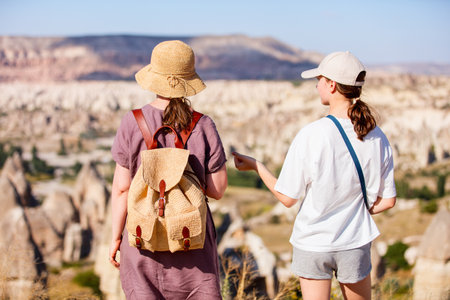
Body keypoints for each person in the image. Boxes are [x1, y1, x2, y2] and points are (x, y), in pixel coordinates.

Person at [233, 51, 396, 300]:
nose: (316, 85)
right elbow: (388, 201)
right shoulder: (377, 136)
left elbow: (288, 198)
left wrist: (257, 166)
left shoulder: (312, 134)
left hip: (313, 243)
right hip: (355, 241)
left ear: (331, 85)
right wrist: (352, 209)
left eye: (319, 79)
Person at [109, 40, 227, 299]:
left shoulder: (132, 122)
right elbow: (217, 190)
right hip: (191, 239)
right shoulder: (203, 124)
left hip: (143, 237)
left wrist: (116, 236)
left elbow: (121, 189)